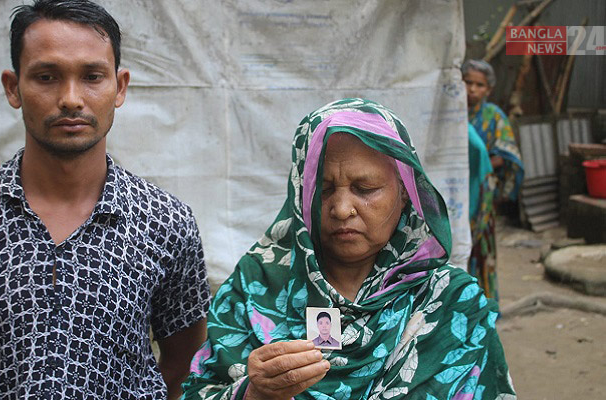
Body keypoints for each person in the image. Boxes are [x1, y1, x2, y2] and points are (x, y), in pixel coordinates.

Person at [0, 1, 210, 399]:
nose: (70, 98)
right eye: (46, 76)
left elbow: (183, 362)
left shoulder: (166, 222)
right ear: (13, 88)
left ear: (119, 87)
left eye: (92, 76)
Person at [182, 99, 516, 400]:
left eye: (365, 188)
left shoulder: (451, 302)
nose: (342, 209)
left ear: (405, 193)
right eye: (323, 190)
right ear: (301, 197)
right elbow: (198, 391)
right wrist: (252, 394)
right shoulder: (259, 284)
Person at [462, 59, 524, 210]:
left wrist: (477, 165)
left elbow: (506, 156)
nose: (472, 89)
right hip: (454, 182)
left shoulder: (494, 115)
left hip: (482, 182)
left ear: (488, 90)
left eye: (479, 85)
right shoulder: (451, 114)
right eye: (468, 82)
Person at [468, 123, 499, 300]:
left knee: (480, 256)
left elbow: (480, 150)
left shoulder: (465, 129)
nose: (472, 92)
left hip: (478, 204)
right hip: (473, 199)